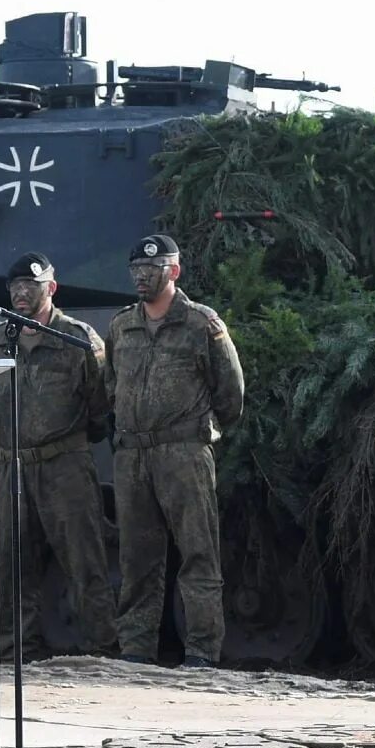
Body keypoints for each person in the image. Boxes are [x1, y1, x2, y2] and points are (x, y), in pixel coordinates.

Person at [104, 235, 243, 667]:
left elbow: (231, 392)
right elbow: (112, 384)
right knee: (137, 559)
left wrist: (201, 430)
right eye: (137, 271)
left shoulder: (202, 324)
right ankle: (136, 651)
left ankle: (202, 651)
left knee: (198, 553)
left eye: (153, 269)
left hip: (183, 451)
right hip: (132, 455)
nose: (143, 277)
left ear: (174, 272)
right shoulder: (121, 326)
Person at [0, 252, 117, 659]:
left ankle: (101, 648)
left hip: (64, 465)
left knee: (84, 560)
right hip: (9, 465)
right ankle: (15, 649)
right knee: (9, 564)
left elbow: (101, 406)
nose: (22, 294)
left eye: (32, 286)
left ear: (51, 288)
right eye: (16, 287)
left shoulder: (77, 339)